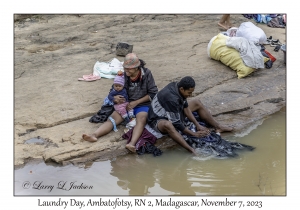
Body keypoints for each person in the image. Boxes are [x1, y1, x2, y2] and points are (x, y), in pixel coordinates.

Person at [83, 53, 158, 153]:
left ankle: (131, 143)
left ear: (137, 68)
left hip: (142, 105)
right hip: (125, 105)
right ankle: (94, 135)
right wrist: (115, 98)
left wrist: (136, 102)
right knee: (112, 119)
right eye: (125, 68)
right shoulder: (123, 75)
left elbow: (153, 93)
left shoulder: (146, 73)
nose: (126, 71)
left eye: (129, 69)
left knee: (142, 119)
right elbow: (112, 90)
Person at [147, 76, 233, 155]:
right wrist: (194, 134)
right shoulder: (172, 99)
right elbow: (176, 123)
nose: (190, 95)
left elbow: (185, 106)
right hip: (157, 119)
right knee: (168, 125)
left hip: (171, 112)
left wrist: (197, 125)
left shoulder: (177, 86)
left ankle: (218, 126)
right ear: (182, 89)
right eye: (189, 92)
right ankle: (191, 150)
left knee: (197, 102)